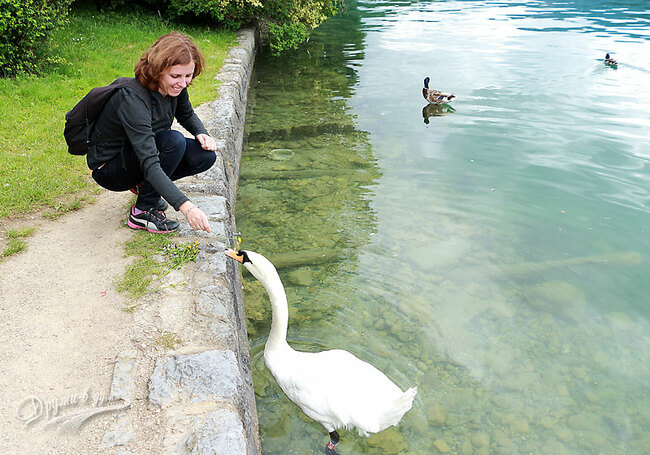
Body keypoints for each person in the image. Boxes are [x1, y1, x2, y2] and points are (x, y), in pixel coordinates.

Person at [87, 31, 217, 234]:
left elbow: (186, 114)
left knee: (204, 156)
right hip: (110, 168)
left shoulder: (175, 88)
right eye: (175, 76)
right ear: (157, 71)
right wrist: (187, 207)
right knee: (173, 142)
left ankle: (146, 186)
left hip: (136, 156)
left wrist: (202, 132)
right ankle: (142, 212)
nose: (183, 83)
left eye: (188, 76)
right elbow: (149, 161)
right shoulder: (132, 99)